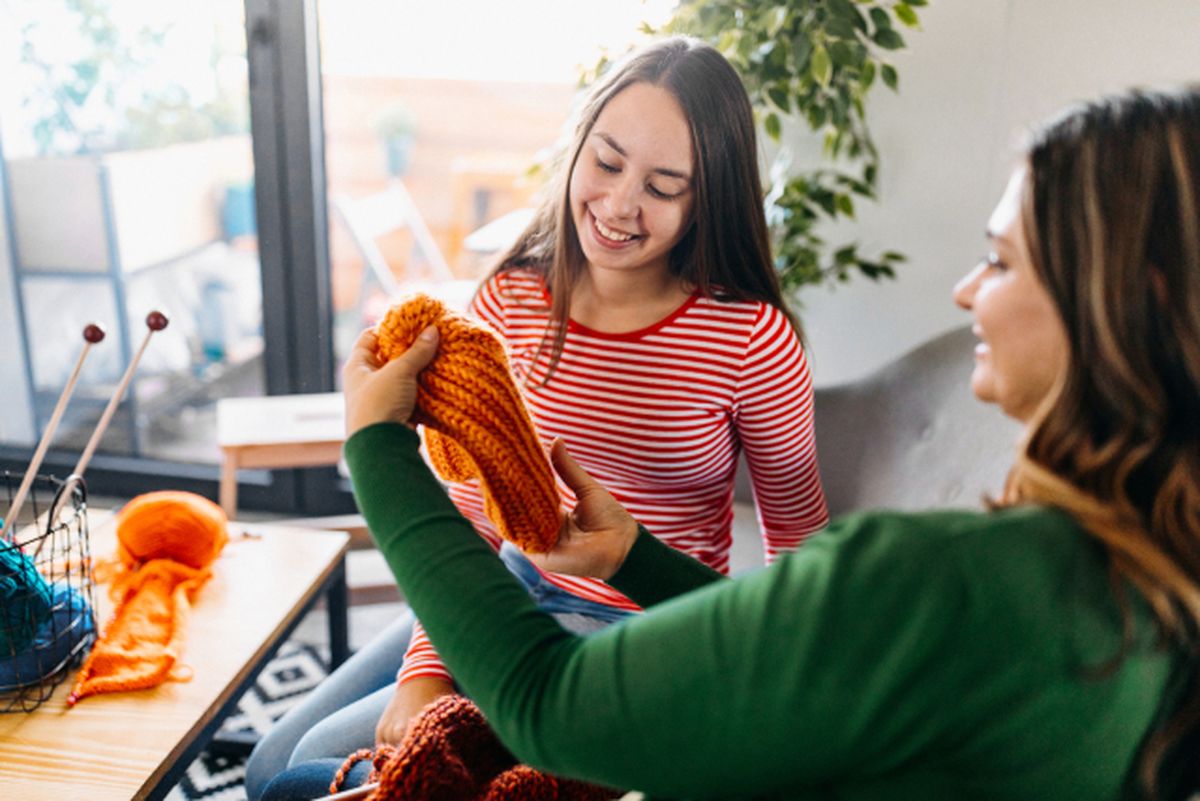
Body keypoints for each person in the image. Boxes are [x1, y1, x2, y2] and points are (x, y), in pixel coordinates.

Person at [336, 85, 1200, 799]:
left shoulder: (943, 578)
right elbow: (818, 651)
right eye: (606, 160)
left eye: (1004, 261)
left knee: (296, 777)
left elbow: (548, 701)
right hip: (546, 592)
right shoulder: (1154, 581)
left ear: (1137, 301)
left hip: (588, 661)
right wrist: (633, 551)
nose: (969, 290)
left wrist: (376, 446)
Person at [245, 36, 828, 799]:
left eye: (664, 185)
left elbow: (799, 542)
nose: (621, 205)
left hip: (640, 632)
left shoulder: (750, 338)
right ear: (579, 145)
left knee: (311, 776)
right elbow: (470, 513)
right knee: (266, 766)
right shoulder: (511, 300)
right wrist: (428, 667)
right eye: (609, 162)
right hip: (498, 591)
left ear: (706, 197)